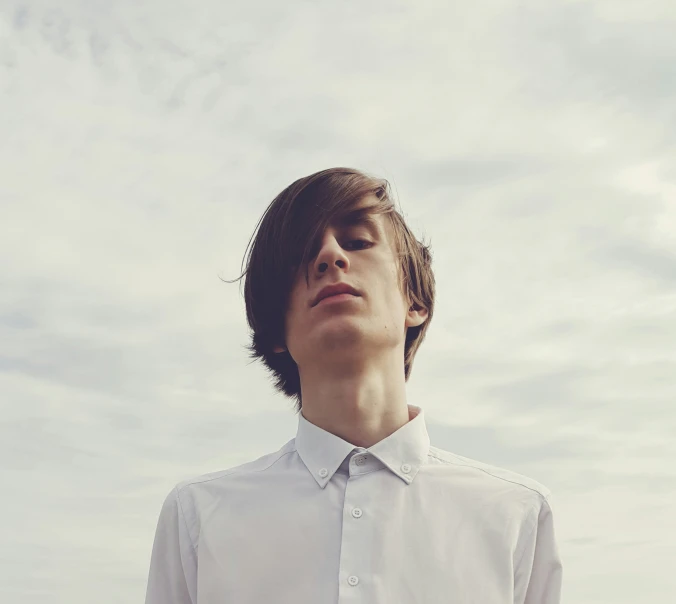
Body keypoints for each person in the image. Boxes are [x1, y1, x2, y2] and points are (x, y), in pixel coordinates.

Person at [144, 167, 563, 603]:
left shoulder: (516, 515)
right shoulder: (199, 517)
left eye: (359, 241)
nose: (329, 255)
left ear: (414, 300)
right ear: (274, 331)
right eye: (301, 255)